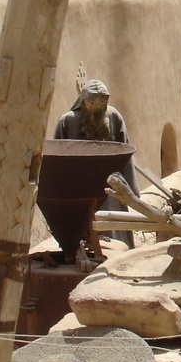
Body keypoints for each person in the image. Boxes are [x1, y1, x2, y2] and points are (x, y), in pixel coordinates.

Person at [53, 79, 138, 252]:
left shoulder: (114, 117)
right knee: (79, 235)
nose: (98, 106)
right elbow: (56, 161)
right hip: (78, 189)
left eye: (102, 101)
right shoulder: (67, 121)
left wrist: (130, 193)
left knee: (115, 240)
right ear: (83, 102)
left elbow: (126, 155)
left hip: (110, 188)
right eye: (92, 102)